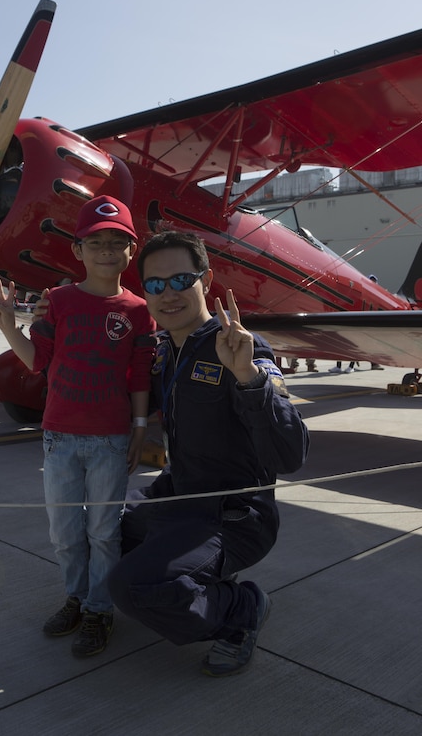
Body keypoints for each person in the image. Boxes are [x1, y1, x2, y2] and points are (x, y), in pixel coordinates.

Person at [106, 231, 309, 678]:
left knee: (132, 585)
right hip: (178, 497)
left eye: (181, 279)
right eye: (156, 285)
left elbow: (290, 454)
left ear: (207, 279)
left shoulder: (240, 347)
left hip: (233, 516)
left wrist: (248, 379)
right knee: (96, 529)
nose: (169, 293)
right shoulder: (165, 352)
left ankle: (241, 609)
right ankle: (199, 580)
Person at [0, 195, 156, 658]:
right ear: (79, 251)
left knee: (104, 531)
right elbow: (38, 362)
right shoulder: (58, 301)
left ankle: (100, 609)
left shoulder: (139, 311)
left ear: (131, 250)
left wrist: (140, 426)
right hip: (59, 439)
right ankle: (77, 597)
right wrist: (7, 326)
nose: (106, 250)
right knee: (65, 531)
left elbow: (140, 376)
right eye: (96, 242)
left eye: (116, 242)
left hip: (111, 439)